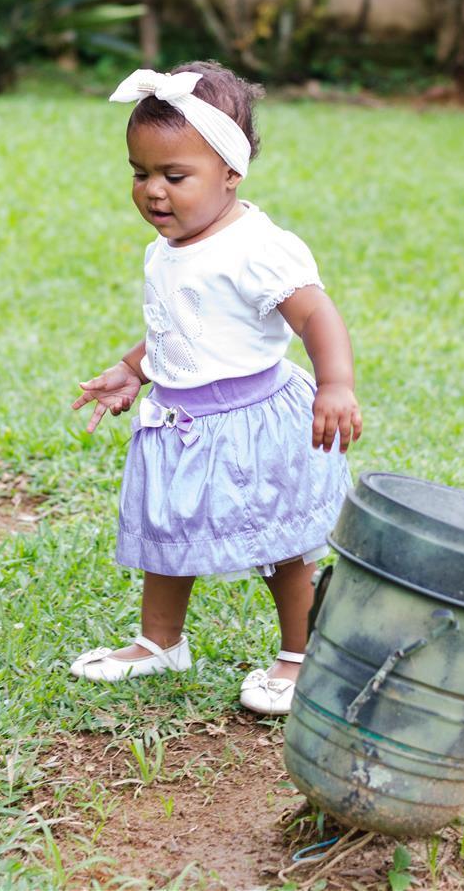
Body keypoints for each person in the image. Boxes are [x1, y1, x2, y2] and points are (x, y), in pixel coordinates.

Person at [69, 61, 361, 715]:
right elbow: (183, 324)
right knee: (168, 537)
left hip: (253, 421)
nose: (154, 192)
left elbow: (316, 313)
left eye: (175, 176)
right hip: (181, 420)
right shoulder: (167, 247)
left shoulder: (258, 247)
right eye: (140, 173)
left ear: (231, 172)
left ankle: (301, 654)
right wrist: (134, 367)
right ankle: (160, 641)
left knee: (284, 546)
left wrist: (335, 384)